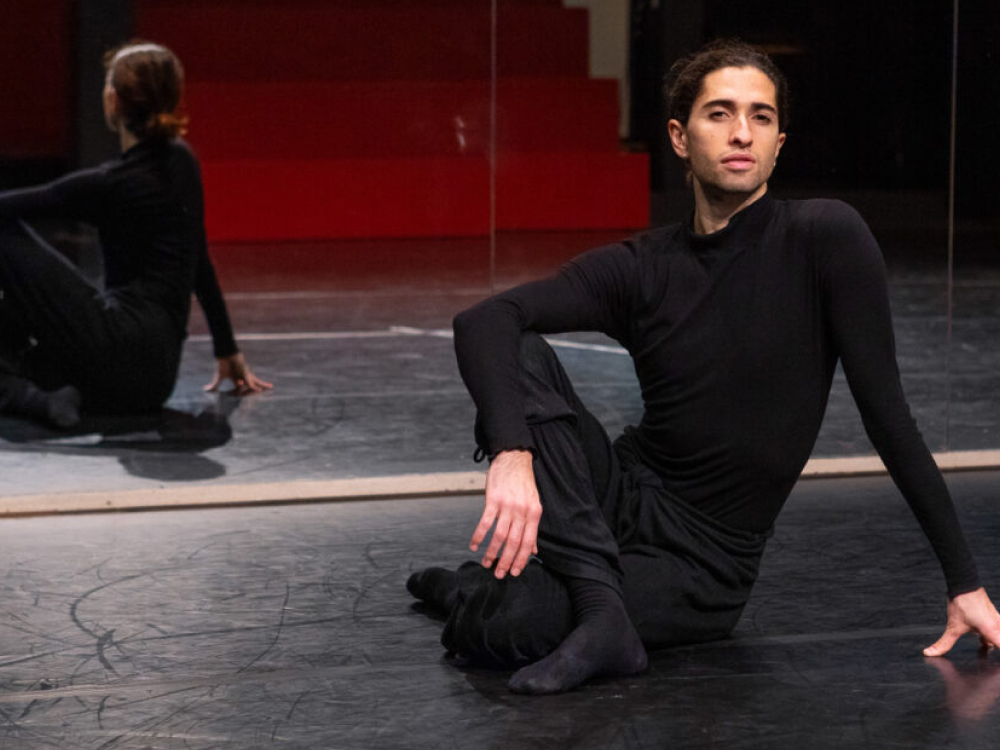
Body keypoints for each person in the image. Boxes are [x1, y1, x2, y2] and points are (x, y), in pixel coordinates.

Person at [407, 39, 1000, 695]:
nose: (742, 132)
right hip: (615, 500)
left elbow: (890, 418)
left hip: (702, 562)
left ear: (779, 142)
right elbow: (482, 322)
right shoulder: (640, 267)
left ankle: (479, 591)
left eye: (761, 117)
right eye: (718, 113)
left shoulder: (824, 239)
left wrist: (964, 580)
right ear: (679, 136)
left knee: (510, 623)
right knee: (517, 348)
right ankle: (592, 607)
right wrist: (512, 450)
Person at [0, 41, 271, 429]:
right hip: (155, 382)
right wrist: (226, 348)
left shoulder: (111, 183)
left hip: (111, 350)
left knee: (5, 232)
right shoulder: (183, 162)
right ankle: (43, 402)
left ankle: (30, 399)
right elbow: (198, 259)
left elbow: (11, 207)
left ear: (113, 101)